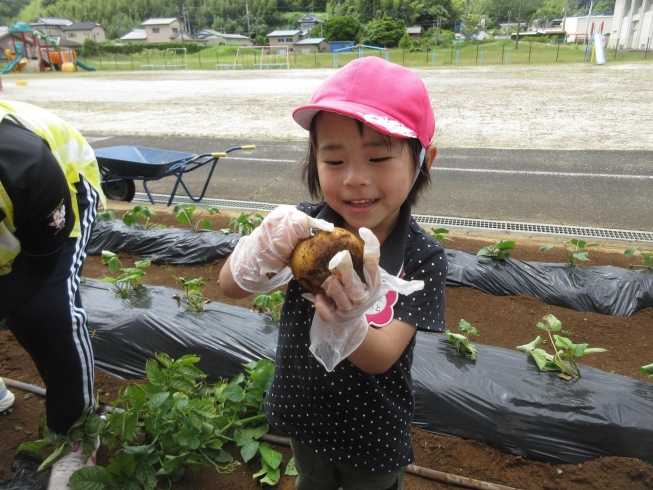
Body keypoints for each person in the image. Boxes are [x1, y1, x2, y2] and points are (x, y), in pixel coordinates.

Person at [220, 57, 447, 490]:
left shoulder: (421, 257)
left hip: (372, 433)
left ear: (424, 160)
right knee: (311, 481)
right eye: (335, 161)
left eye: (379, 158)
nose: (355, 180)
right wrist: (260, 249)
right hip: (305, 415)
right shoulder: (306, 230)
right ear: (314, 161)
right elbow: (230, 286)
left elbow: (382, 358)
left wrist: (350, 321)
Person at [0, 100, 106, 490]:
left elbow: (37, 265)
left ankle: (77, 432)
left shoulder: (24, 165)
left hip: (64, 189)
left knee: (45, 311)